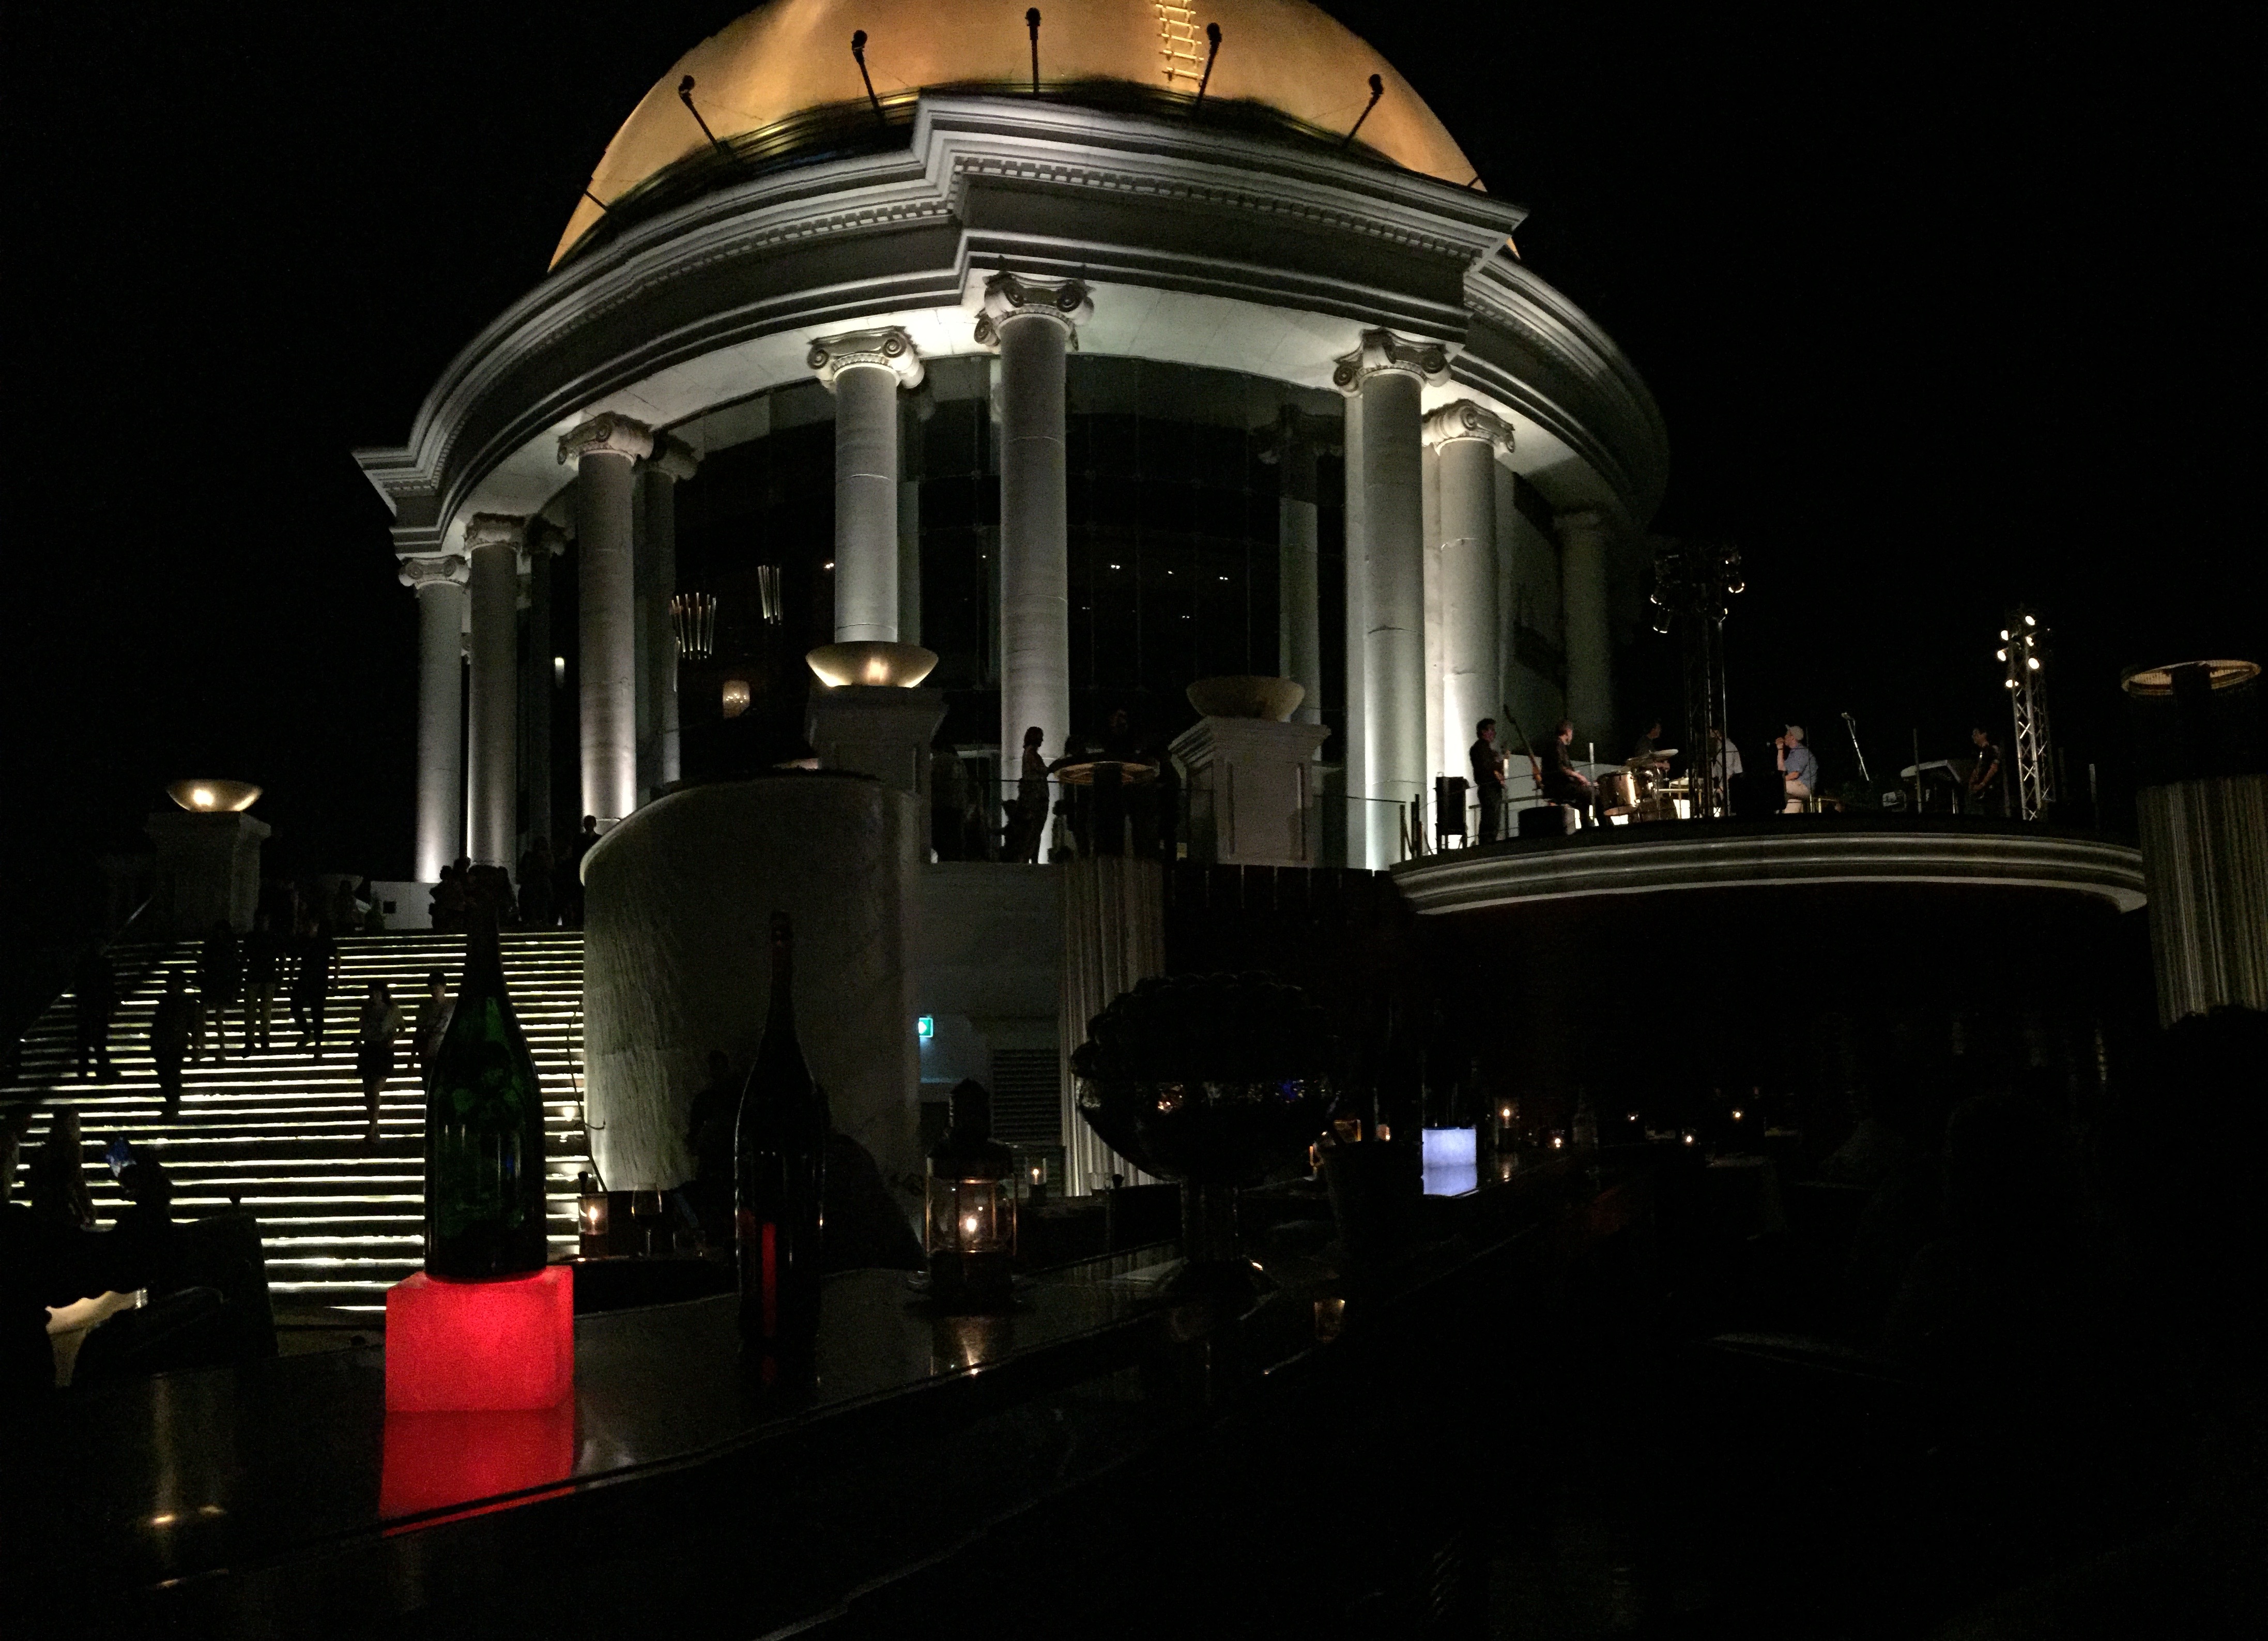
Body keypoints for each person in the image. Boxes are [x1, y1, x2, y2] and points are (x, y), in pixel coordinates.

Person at [27, 1107, 97, 1229]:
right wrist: (86, 1210)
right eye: (75, 1123)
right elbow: (75, 1182)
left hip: (43, 1209)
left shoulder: (43, 1151)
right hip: (65, 1210)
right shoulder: (72, 1149)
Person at [355, 981, 405, 1145]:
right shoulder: (367, 1009)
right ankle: (374, 1128)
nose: (374, 996)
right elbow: (361, 1029)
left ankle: (372, 1127)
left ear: (383, 994)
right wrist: (358, 1040)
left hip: (384, 1050)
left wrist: (393, 1039)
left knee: (375, 1089)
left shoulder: (392, 1009)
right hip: (369, 1049)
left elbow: (402, 1028)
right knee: (368, 1091)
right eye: (372, 993)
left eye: (377, 993)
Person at [151, 972, 200, 1115]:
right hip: (167, 1043)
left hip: (175, 1043)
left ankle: (173, 1102)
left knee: (171, 1073)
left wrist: (195, 1045)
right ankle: (172, 1102)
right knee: (167, 1074)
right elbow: (157, 1024)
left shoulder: (185, 1003)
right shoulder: (168, 1001)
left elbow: (194, 1026)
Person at [290, 915, 338, 1056]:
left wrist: (335, 978)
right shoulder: (303, 940)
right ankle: (308, 1034)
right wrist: (291, 977)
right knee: (297, 1007)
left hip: (319, 982)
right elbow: (294, 958)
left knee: (317, 1012)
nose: (309, 928)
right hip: (305, 980)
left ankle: (317, 1044)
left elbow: (337, 958)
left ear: (317, 925)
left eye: (311, 925)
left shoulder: (324, 940)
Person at [197, 921, 243, 1062]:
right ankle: (208, 1048)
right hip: (215, 984)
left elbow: (234, 969)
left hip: (219, 985)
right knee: (211, 1016)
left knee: (216, 1017)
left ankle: (216, 1049)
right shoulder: (222, 946)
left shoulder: (225, 946)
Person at [242, 909, 286, 1053]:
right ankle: (262, 1039)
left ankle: (254, 1039)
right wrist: (280, 976)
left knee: (256, 1011)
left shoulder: (255, 937)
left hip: (260, 977)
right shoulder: (271, 937)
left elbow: (244, 958)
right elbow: (282, 957)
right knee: (262, 1010)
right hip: (263, 977)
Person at [70, 947, 117, 1081]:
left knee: (86, 1040)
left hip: (86, 1007)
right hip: (98, 1007)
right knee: (99, 1040)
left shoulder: (82, 966)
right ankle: (102, 1068)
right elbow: (109, 986)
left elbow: (79, 987)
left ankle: (84, 1069)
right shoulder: (104, 965)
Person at [1007, 726, 1050, 863]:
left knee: (1033, 831)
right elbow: (1043, 771)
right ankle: (1028, 859)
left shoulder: (1028, 753)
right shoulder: (1031, 754)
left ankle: (1028, 858)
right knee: (1034, 831)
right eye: (1040, 737)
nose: (1042, 740)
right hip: (1037, 799)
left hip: (1034, 798)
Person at [1540, 719, 1598, 821]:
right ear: (1568, 732)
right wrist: (1578, 776)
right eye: (1572, 733)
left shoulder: (1556, 745)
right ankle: (1604, 826)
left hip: (1558, 786)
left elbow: (1561, 769)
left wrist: (1578, 779)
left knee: (1584, 803)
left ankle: (1587, 825)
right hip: (1560, 788)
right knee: (1596, 796)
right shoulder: (1557, 744)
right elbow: (1560, 769)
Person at [930, 737, 970, 861]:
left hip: (940, 805)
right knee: (956, 835)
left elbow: (932, 782)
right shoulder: (959, 763)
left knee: (941, 837)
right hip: (958, 805)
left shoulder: (936, 762)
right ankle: (958, 858)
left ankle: (944, 859)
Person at [1468, 719, 1506, 843]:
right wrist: (1501, 763)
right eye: (1492, 730)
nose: (1494, 733)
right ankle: (1487, 845)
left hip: (1490, 787)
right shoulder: (1481, 748)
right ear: (1484, 732)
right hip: (1489, 787)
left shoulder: (1483, 749)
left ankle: (1488, 843)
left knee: (1492, 819)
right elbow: (1488, 767)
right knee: (1491, 820)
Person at [411, 968, 453, 1073]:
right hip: (428, 1052)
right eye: (432, 989)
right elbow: (419, 1032)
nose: (434, 992)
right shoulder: (425, 1007)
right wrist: (413, 1056)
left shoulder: (452, 1006)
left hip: (447, 1053)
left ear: (444, 987)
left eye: (437, 988)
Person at [1774, 724, 1819, 812]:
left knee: (1776, 786)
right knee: (1789, 812)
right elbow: (1781, 768)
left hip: (1804, 787)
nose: (1785, 737)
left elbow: (1795, 775)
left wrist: (1779, 781)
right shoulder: (1793, 753)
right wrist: (1780, 749)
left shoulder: (1802, 752)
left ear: (1793, 738)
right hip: (1797, 788)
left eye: (1787, 734)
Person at [1967, 725, 2005, 817]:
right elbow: (1977, 769)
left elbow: (1994, 768)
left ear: (1984, 735)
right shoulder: (1980, 753)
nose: (1974, 737)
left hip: (1991, 792)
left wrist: (1982, 784)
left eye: (1976, 734)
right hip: (1982, 793)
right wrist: (1972, 784)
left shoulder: (1992, 749)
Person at [518, 838, 556, 928]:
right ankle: (539, 920)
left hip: (538, 883)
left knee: (541, 902)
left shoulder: (541, 857)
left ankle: (539, 920)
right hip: (536, 883)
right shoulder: (540, 857)